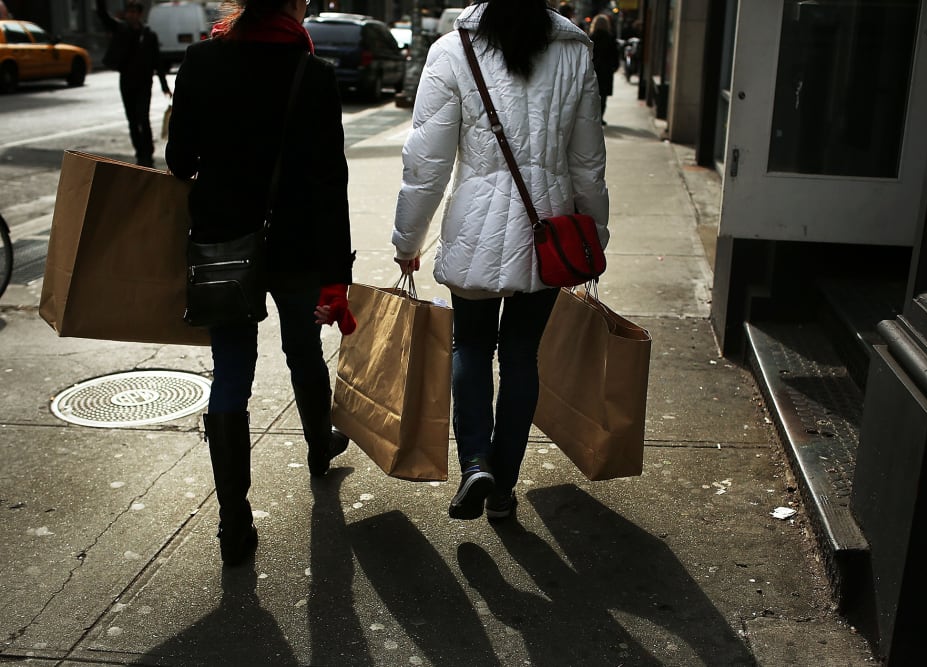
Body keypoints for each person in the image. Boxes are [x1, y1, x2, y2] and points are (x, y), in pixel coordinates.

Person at [392, 0, 609, 522]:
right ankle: (505, 488)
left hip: (475, 231)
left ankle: (474, 464)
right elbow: (588, 161)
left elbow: (427, 161)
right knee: (519, 358)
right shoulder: (574, 53)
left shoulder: (452, 49)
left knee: (469, 344)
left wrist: (408, 240)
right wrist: (594, 237)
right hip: (549, 235)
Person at [166, 0, 356, 567]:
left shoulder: (201, 61)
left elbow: (179, 161)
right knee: (303, 350)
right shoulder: (313, 74)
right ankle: (320, 446)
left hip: (225, 244)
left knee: (231, 372)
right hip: (298, 247)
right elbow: (330, 181)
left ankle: (233, 523)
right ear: (295, 6)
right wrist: (336, 276)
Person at [95, 1, 172, 167]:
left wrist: (164, 86)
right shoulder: (121, 30)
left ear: (139, 14)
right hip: (127, 81)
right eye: (128, 12)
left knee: (143, 117)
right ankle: (139, 151)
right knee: (132, 119)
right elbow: (103, 16)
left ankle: (148, 151)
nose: (131, 15)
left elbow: (157, 62)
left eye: (134, 12)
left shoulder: (149, 35)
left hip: (144, 83)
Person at [589, 12, 619, 125]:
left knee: (593, 95)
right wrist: (614, 67)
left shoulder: (591, 37)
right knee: (603, 95)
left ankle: (593, 117)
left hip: (594, 69)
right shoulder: (610, 38)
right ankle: (600, 117)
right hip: (606, 70)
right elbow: (615, 55)